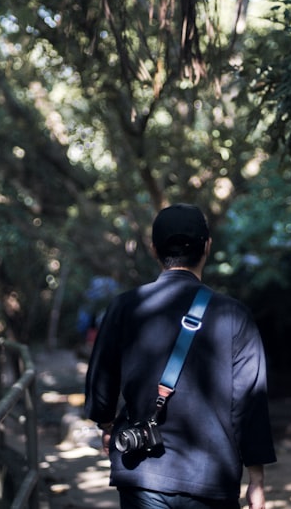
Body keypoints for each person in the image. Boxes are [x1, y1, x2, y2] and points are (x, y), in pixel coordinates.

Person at [85, 203, 277, 509]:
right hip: (211, 479)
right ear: (207, 247)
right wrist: (256, 481)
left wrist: (108, 428)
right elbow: (250, 404)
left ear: (153, 250)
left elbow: (100, 387)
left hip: (142, 472)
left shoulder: (124, 307)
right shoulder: (234, 315)